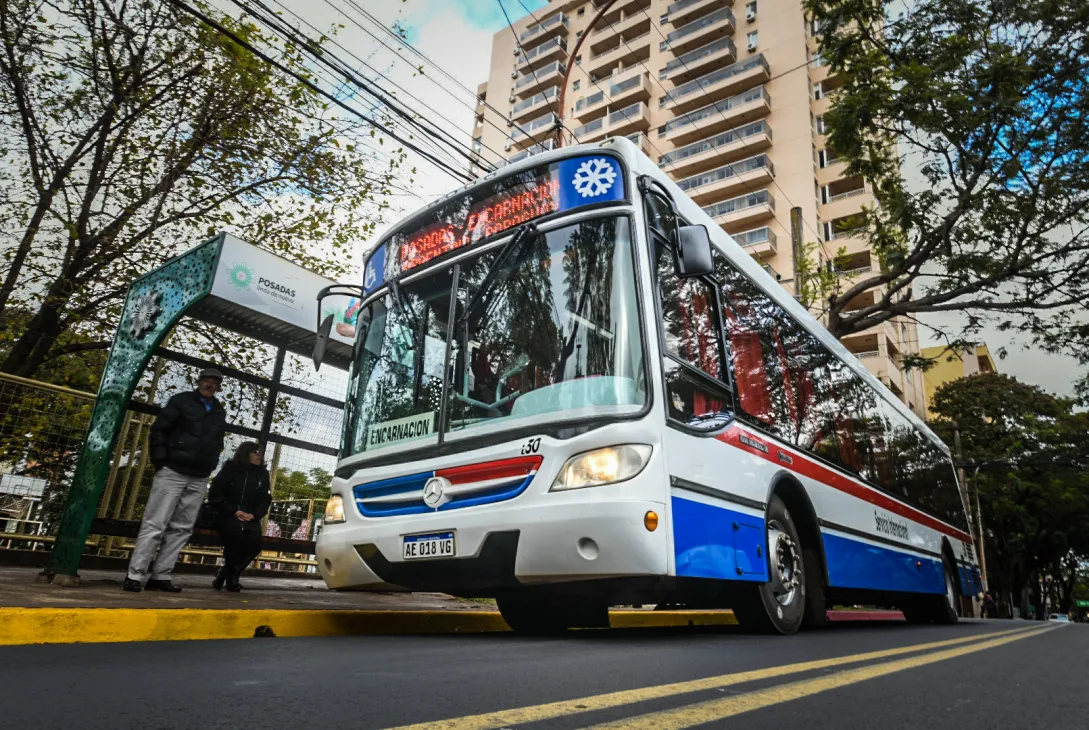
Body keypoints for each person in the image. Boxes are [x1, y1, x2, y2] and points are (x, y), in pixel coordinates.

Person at [123, 368, 227, 593]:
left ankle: (161, 575)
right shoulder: (180, 401)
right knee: (155, 523)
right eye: (206, 381)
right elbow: (159, 430)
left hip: (199, 475)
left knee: (182, 528)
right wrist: (161, 461)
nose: (209, 384)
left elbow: (218, 441)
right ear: (198, 382)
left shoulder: (219, 411)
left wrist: (211, 463)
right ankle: (135, 575)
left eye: (214, 382)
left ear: (219, 387)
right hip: (173, 470)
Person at [208, 442, 271, 592]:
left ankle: (226, 573)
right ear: (245, 453)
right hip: (227, 514)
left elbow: (266, 499)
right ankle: (232, 578)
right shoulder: (230, 469)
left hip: (249, 516)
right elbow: (215, 495)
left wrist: (254, 515)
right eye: (255, 452)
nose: (259, 455)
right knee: (236, 538)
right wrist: (233, 511)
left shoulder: (263, 474)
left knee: (255, 544)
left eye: (261, 452)